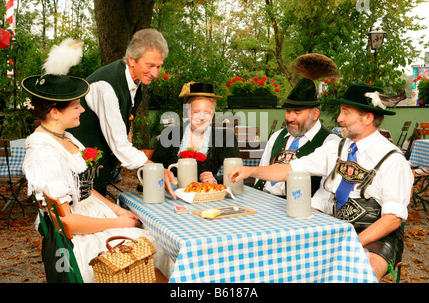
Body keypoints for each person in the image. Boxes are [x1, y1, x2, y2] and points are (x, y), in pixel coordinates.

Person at [22, 38, 173, 283]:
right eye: (76, 106)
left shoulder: (67, 138)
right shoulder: (45, 155)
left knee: (157, 239)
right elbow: (65, 220)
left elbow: (84, 188)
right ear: (54, 112)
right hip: (79, 238)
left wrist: (116, 209)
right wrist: (116, 222)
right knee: (154, 246)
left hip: (94, 214)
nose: (82, 110)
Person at [228, 82, 412, 281]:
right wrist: (250, 170)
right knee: (286, 262)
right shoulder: (336, 148)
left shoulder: (393, 160)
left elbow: (392, 219)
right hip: (336, 227)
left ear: (368, 118)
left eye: (346, 113)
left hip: (376, 238)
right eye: (341, 112)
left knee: (354, 275)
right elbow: (291, 168)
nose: (339, 118)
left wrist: (351, 241)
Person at [68, 29, 177, 198]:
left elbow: (126, 126)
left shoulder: (135, 81)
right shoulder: (106, 85)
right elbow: (119, 144)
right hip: (77, 178)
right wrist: (153, 168)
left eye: (159, 66)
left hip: (99, 175)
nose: (155, 74)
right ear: (132, 60)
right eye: (150, 65)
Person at [255, 54, 340, 197]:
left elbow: (328, 193)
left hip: (304, 208)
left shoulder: (330, 142)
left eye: (297, 112)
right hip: (265, 201)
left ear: (315, 114)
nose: (290, 118)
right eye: (288, 111)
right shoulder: (277, 137)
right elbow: (261, 174)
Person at [151, 82, 240, 184]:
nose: (201, 118)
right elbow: (153, 169)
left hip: (208, 196)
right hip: (171, 195)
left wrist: (215, 179)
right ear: (188, 112)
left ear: (212, 114)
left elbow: (236, 174)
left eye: (206, 112)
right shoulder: (169, 134)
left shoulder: (225, 137)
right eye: (196, 112)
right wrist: (161, 173)